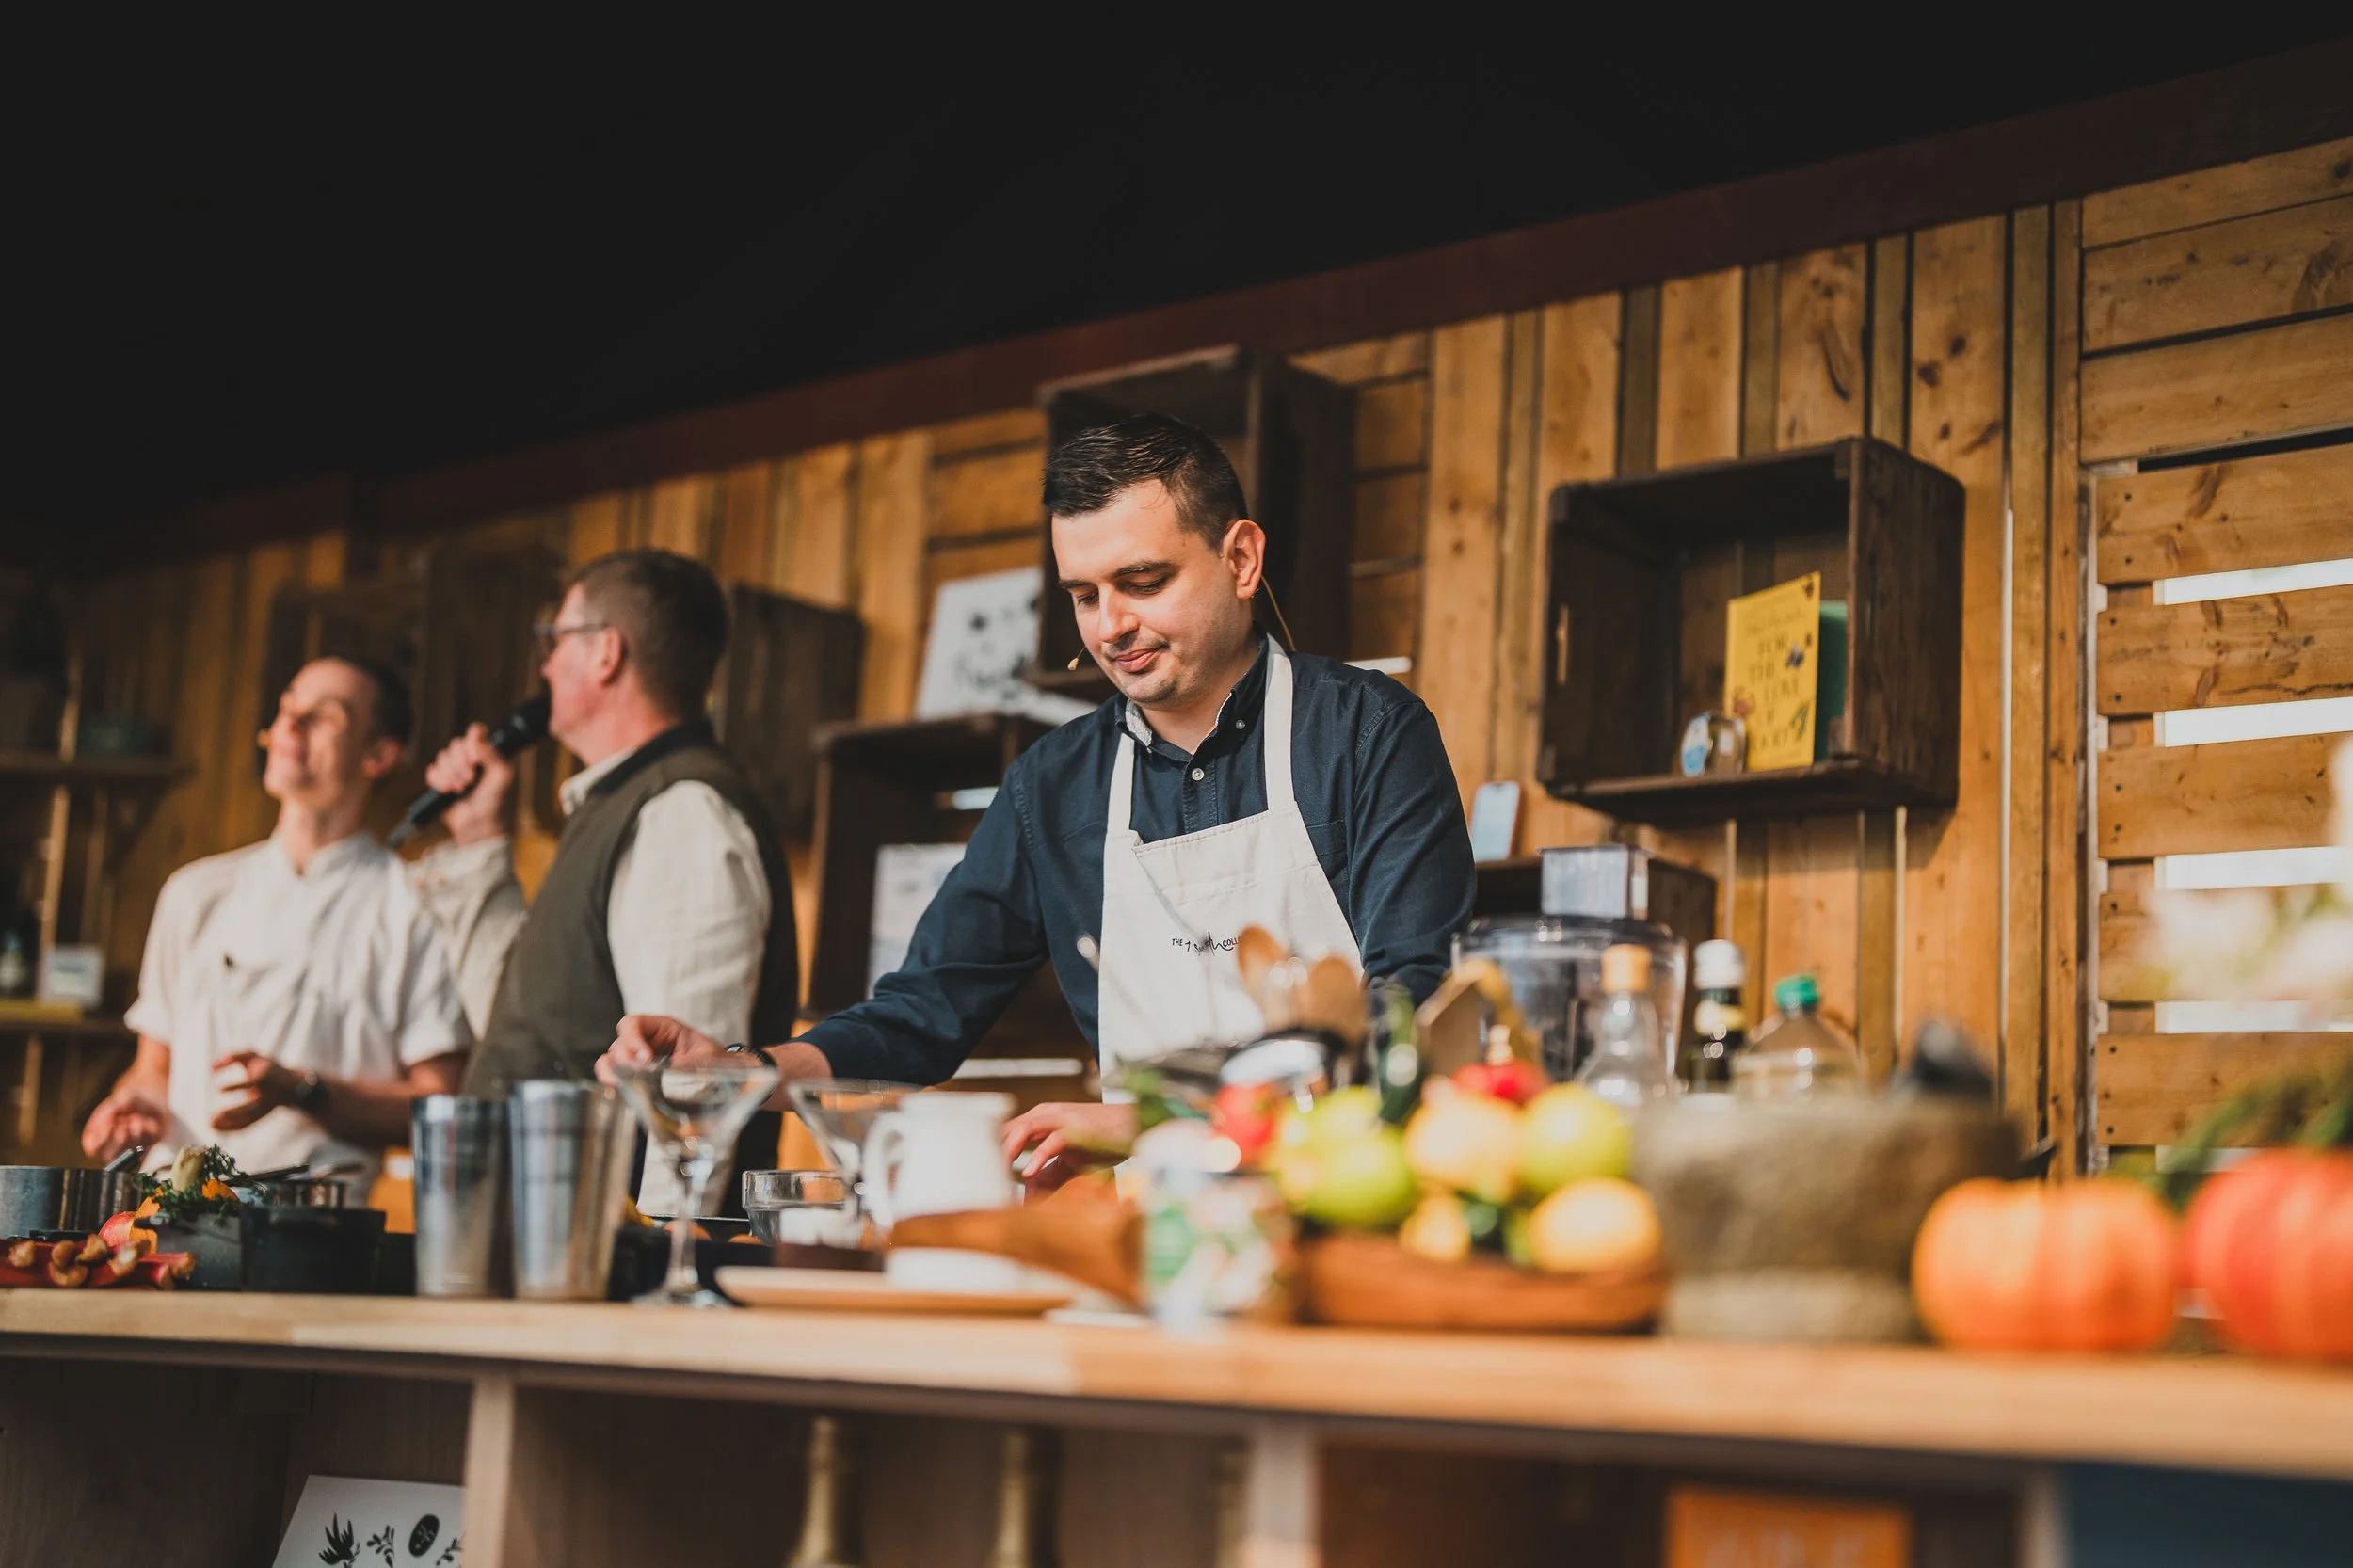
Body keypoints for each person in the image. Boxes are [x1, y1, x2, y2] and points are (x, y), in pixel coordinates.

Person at [601, 413, 1476, 1187]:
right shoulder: (1053, 785)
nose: (1108, 627)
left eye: (1143, 581)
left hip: (1360, 1200)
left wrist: (1159, 1117)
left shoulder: (1367, 732)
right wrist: (736, 1073)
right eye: (1084, 596)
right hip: (1152, 1229)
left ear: (1240, 559)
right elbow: (924, 1014)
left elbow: (1409, 1008)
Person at [413, 548, 798, 1208]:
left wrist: (661, 1277)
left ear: (604, 653)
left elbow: (689, 1095)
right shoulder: (620, 806)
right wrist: (480, 841)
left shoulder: (682, 813)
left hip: (601, 1267)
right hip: (535, 1246)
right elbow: (527, 1026)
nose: (545, 663)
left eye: (555, 639)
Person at [82, 656, 472, 1190]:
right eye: (288, 709)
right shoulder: (194, 893)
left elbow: (441, 1109)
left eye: (324, 716)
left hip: (310, 1238)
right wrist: (134, 1105)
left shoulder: (412, 909)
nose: (290, 724)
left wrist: (302, 1091)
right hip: (165, 1220)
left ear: (378, 754)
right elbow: (154, 1067)